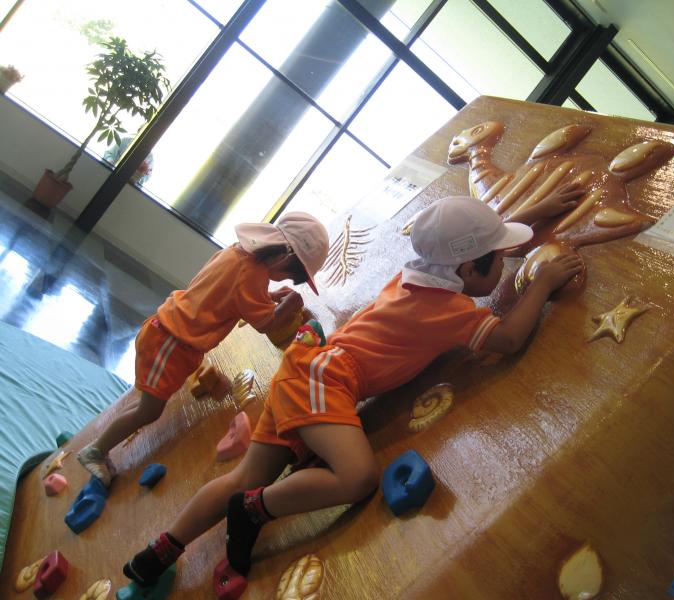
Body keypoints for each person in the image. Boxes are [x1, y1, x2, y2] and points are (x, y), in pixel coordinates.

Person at [122, 191, 584, 589]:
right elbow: (508, 339)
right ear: (465, 267)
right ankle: (254, 512)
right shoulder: (452, 311)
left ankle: (157, 553)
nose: (505, 262)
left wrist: (535, 212)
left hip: (308, 369)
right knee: (358, 477)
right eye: (499, 258)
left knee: (243, 475)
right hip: (327, 380)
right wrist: (542, 284)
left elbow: (469, 248)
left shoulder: (417, 273)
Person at [76, 212, 330, 487]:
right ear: (283, 256)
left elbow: (232, 292)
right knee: (149, 411)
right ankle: (95, 452)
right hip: (171, 344)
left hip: (172, 337)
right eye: (291, 275)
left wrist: (268, 296)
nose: (287, 281)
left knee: (148, 401)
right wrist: (290, 304)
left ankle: (100, 446)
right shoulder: (253, 275)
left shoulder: (238, 253)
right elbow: (266, 323)